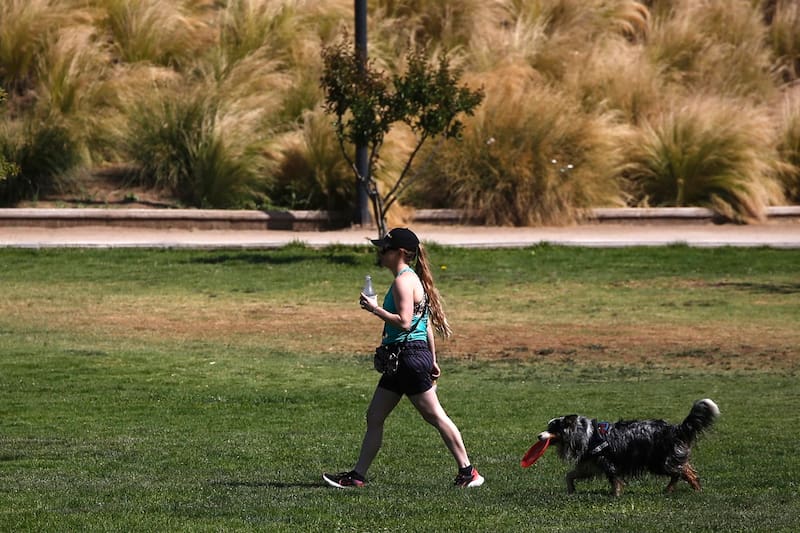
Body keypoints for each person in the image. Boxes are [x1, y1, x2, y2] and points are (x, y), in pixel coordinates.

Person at [323, 228, 484, 489]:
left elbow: (407, 322)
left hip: (407, 357)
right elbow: (426, 326)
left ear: (398, 252)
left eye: (384, 248)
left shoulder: (403, 281)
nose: (380, 252)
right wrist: (432, 359)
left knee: (435, 416)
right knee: (375, 415)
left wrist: (374, 309)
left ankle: (469, 472)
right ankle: (357, 477)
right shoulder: (410, 279)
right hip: (406, 358)